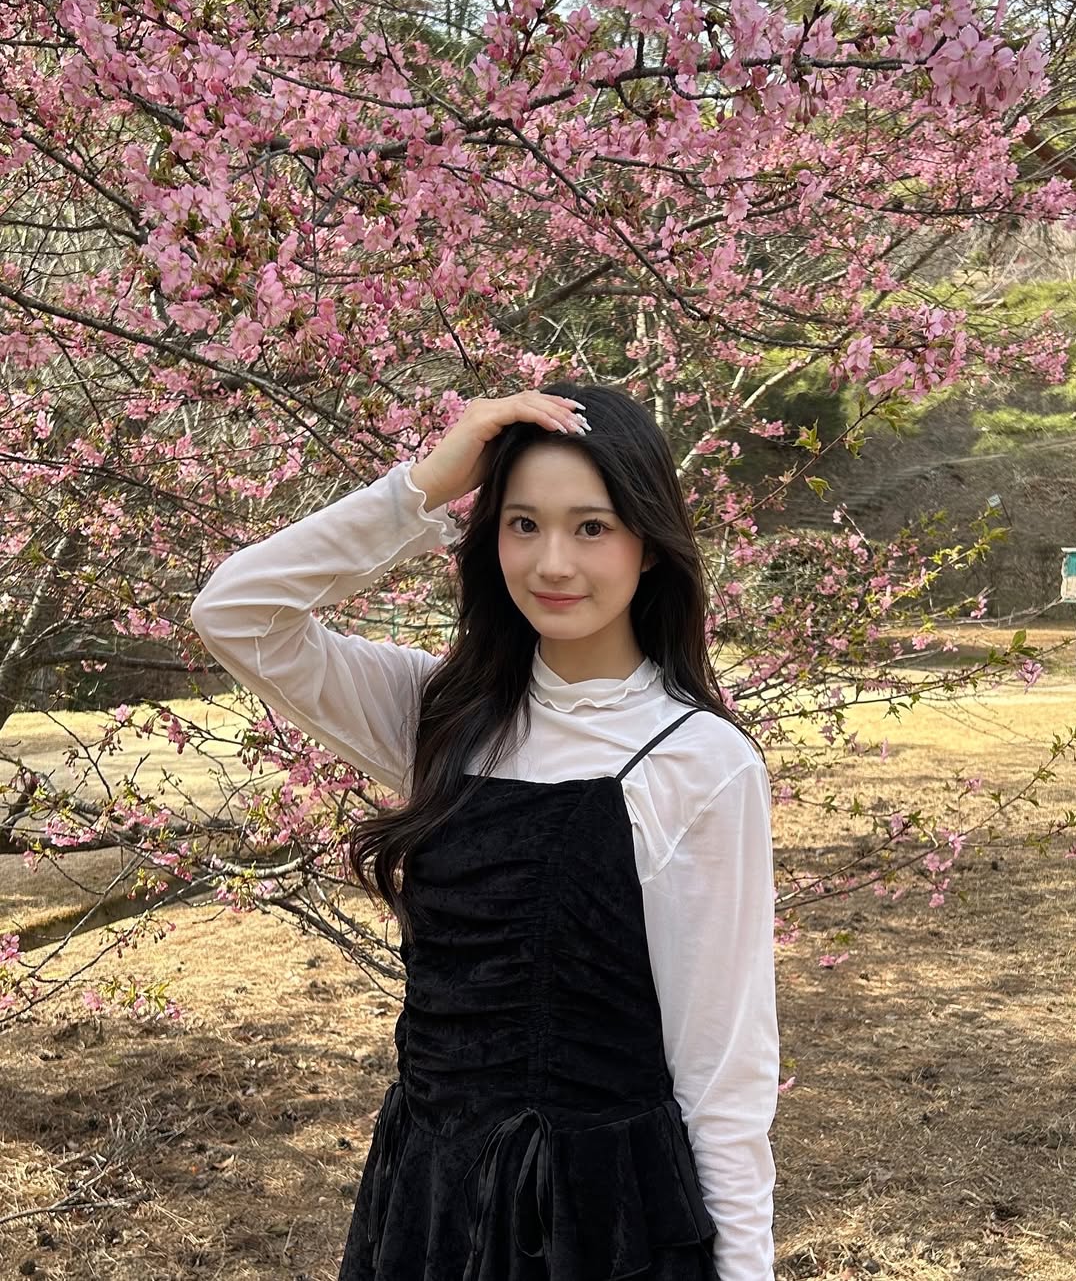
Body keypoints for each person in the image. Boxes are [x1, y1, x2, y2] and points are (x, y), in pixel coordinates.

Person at [189, 385, 780, 1281]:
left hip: (593, 1221)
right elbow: (236, 612)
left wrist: (742, 1268)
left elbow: (722, 1064)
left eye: (592, 527)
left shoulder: (699, 761)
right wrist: (426, 482)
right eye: (522, 524)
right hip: (428, 1197)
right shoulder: (442, 713)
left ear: (651, 544)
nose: (553, 563)